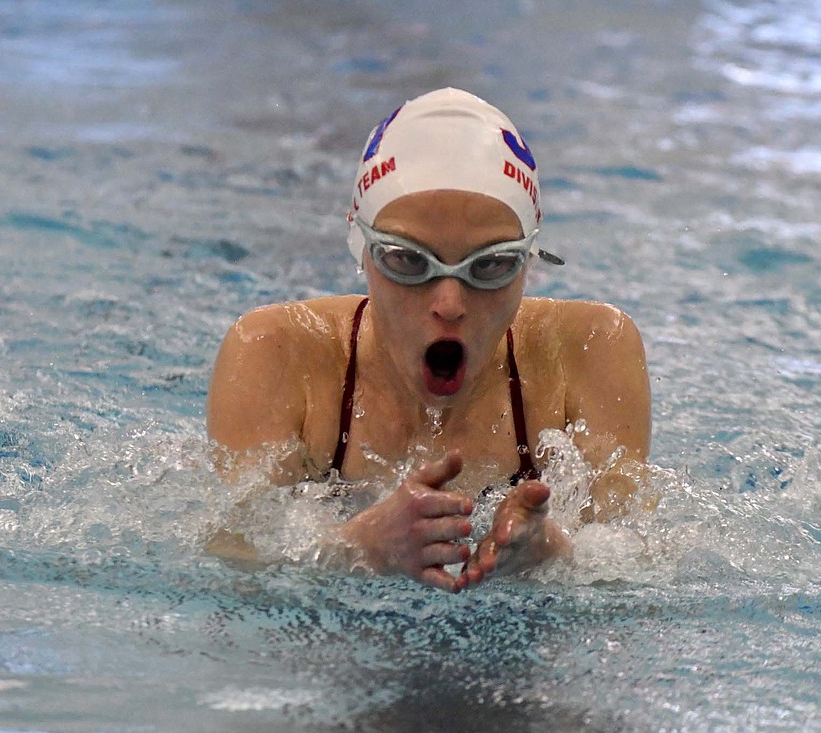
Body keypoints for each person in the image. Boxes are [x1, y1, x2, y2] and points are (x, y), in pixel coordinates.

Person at [206, 88, 651, 592]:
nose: (449, 303)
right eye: (409, 261)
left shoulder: (590, 351)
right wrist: (359, 547)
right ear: (362, 247)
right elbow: (231, 566)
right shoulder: (277, 353)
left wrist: (552, 553)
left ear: (529, 260)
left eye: (490, 265)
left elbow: (639, 568)